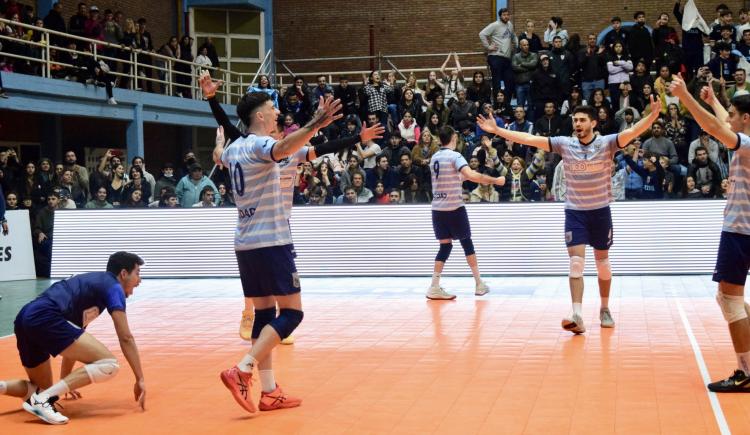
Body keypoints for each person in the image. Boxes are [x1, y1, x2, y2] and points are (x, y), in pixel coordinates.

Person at [202, 72, 381, 411]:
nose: (276, 114)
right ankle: (243, 369)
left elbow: (219, 154)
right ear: (259, 117)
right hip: (272, 241)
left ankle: (269, 391)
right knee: (293, 314)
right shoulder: (262, 146)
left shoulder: (234, 150)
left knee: (264, 314)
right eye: (271, 109)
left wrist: (216, 133)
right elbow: (285, 146)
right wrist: (317, 120)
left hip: (245, 242)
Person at [477, 97, 661, 333]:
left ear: (593, 123)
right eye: (575, 120)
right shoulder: (565, 144)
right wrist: (498, 131)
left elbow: (634, 130)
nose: (578, 124)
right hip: (575, 212)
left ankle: (604, 308)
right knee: (576, 264)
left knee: (602, 264)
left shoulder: (607, 143)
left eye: (583, 120)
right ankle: (577, 314)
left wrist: (652, 116)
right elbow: (530, 139)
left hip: (600, 211)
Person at [670, 75, 750, 391]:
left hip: (740, 231)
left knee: (729, 300)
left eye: (732, 113)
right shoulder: (744, 140)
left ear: (746, 118)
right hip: (743, 229)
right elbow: (726, 125)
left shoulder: (745, 143)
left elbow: (718, 130)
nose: (728, 117)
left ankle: (745, 372)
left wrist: (686, 97)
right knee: (732, 298)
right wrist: (714, 101)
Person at [0, 252, 146, 424]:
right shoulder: (113, 287)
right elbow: (126, 337)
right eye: (137, 273)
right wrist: (140, 378)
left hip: (25, 318)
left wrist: (67, 381)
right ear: (123, 274)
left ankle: (20, 391)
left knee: (40, 389)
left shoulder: (93, 286)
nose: (140, 280)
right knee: (109, 364)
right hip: (45, 316)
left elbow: (74, 340)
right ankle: (43, 401)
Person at [426, 126, 506, 300]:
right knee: (467, 243)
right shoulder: (456, 156)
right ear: (454, 137)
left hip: (437, 209)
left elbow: (454, 177)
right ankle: (479, 284)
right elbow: (471, 175)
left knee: (445, 246)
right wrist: (495, 180)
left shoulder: (434, 158)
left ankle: (434, 286)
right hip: (454, 207)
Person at [479, 8, 517, 99]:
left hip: (506, 58)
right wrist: (488, 47)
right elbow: (482, 34)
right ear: (500, 16)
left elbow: (513, 36)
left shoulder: (510, 25)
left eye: (508, 14)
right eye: (504, 15)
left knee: (510, 81)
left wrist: (517, 44)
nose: (506, 16)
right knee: (497, 83)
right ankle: (497, 106)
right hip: (495, 57)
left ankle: (506, 104)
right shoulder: (494, 25)